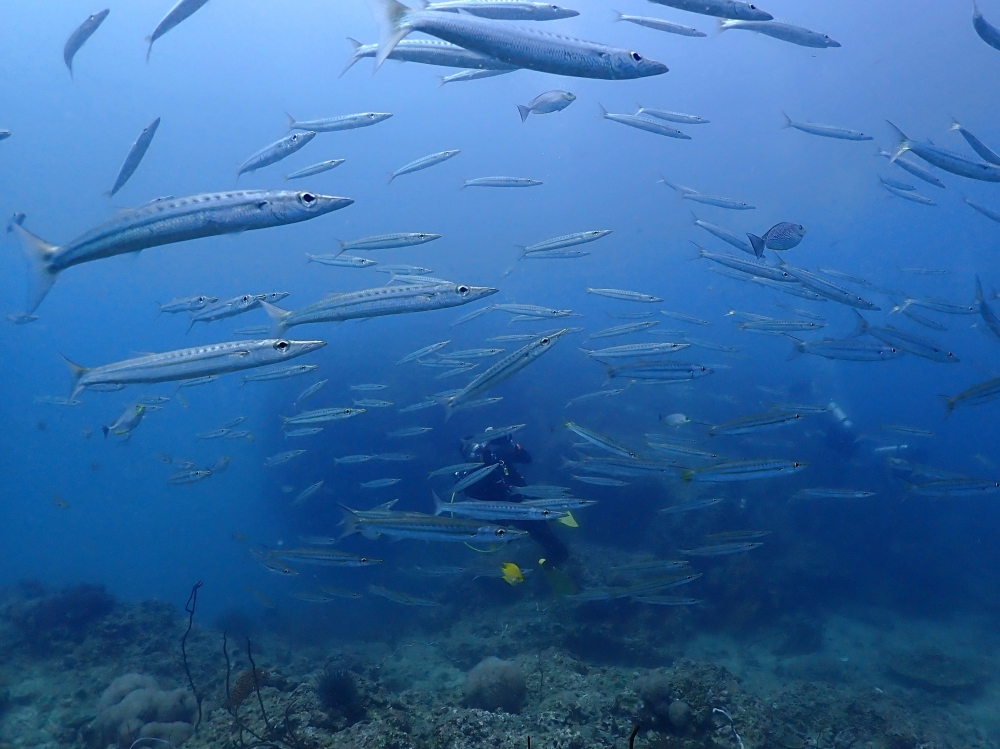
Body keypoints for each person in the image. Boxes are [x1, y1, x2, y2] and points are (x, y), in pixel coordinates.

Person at [461, 432, 570, 566]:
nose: (487, 452)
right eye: (482, 451)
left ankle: (554, 524)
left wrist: (509, 444)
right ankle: (556, 557)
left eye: (486, 448)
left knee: (544, 524)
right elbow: (478, 502)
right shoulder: (470, 478)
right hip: (511, 515)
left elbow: (526, 458)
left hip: (527, 499)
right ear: (472, 455)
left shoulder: (498, 457)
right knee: (546, 537)